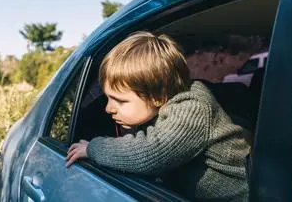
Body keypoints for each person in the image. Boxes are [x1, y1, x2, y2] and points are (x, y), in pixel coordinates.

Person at [65, 31, 249, 201]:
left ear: (158, 96)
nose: (108, 108)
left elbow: (149, 153)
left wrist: (93, 148)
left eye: (120, 101)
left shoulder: (192, 108)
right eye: (108, 98)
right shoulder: (161, 109)